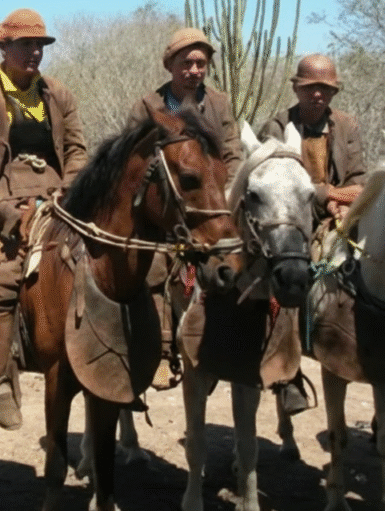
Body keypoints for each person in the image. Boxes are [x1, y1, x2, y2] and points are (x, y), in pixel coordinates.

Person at [0, 8, 88, 430]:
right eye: (25, 45)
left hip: (59, 200)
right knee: (1, 275)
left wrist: (73, 184)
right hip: (3, 204)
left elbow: (78, 149)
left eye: (40, 46)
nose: (34, 54)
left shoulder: (57, 94)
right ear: (3, 47)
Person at [128, 27, 242, 389]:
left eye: (201, 63)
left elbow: (233, 154)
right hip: (164, 204)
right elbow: (132, 161)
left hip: (210, 204)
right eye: (186, 63)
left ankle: (225, 347)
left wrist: (219, 195)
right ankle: (163, 351)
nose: (194, 70)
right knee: (159, 266)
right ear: (171, 66)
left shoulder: (219, 104)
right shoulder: (150, 106)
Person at [258, 54, 367, 414]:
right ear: (297, 89)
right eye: (310, 88)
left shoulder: (346, 126)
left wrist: (342, 203)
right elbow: (278, 182)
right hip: (286, 220)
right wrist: (326, 194)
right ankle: (286, 373)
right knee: (287, 279)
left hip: (339, 219)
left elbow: (360, 185)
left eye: (325, 88)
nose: (317, 95)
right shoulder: (275, 127)